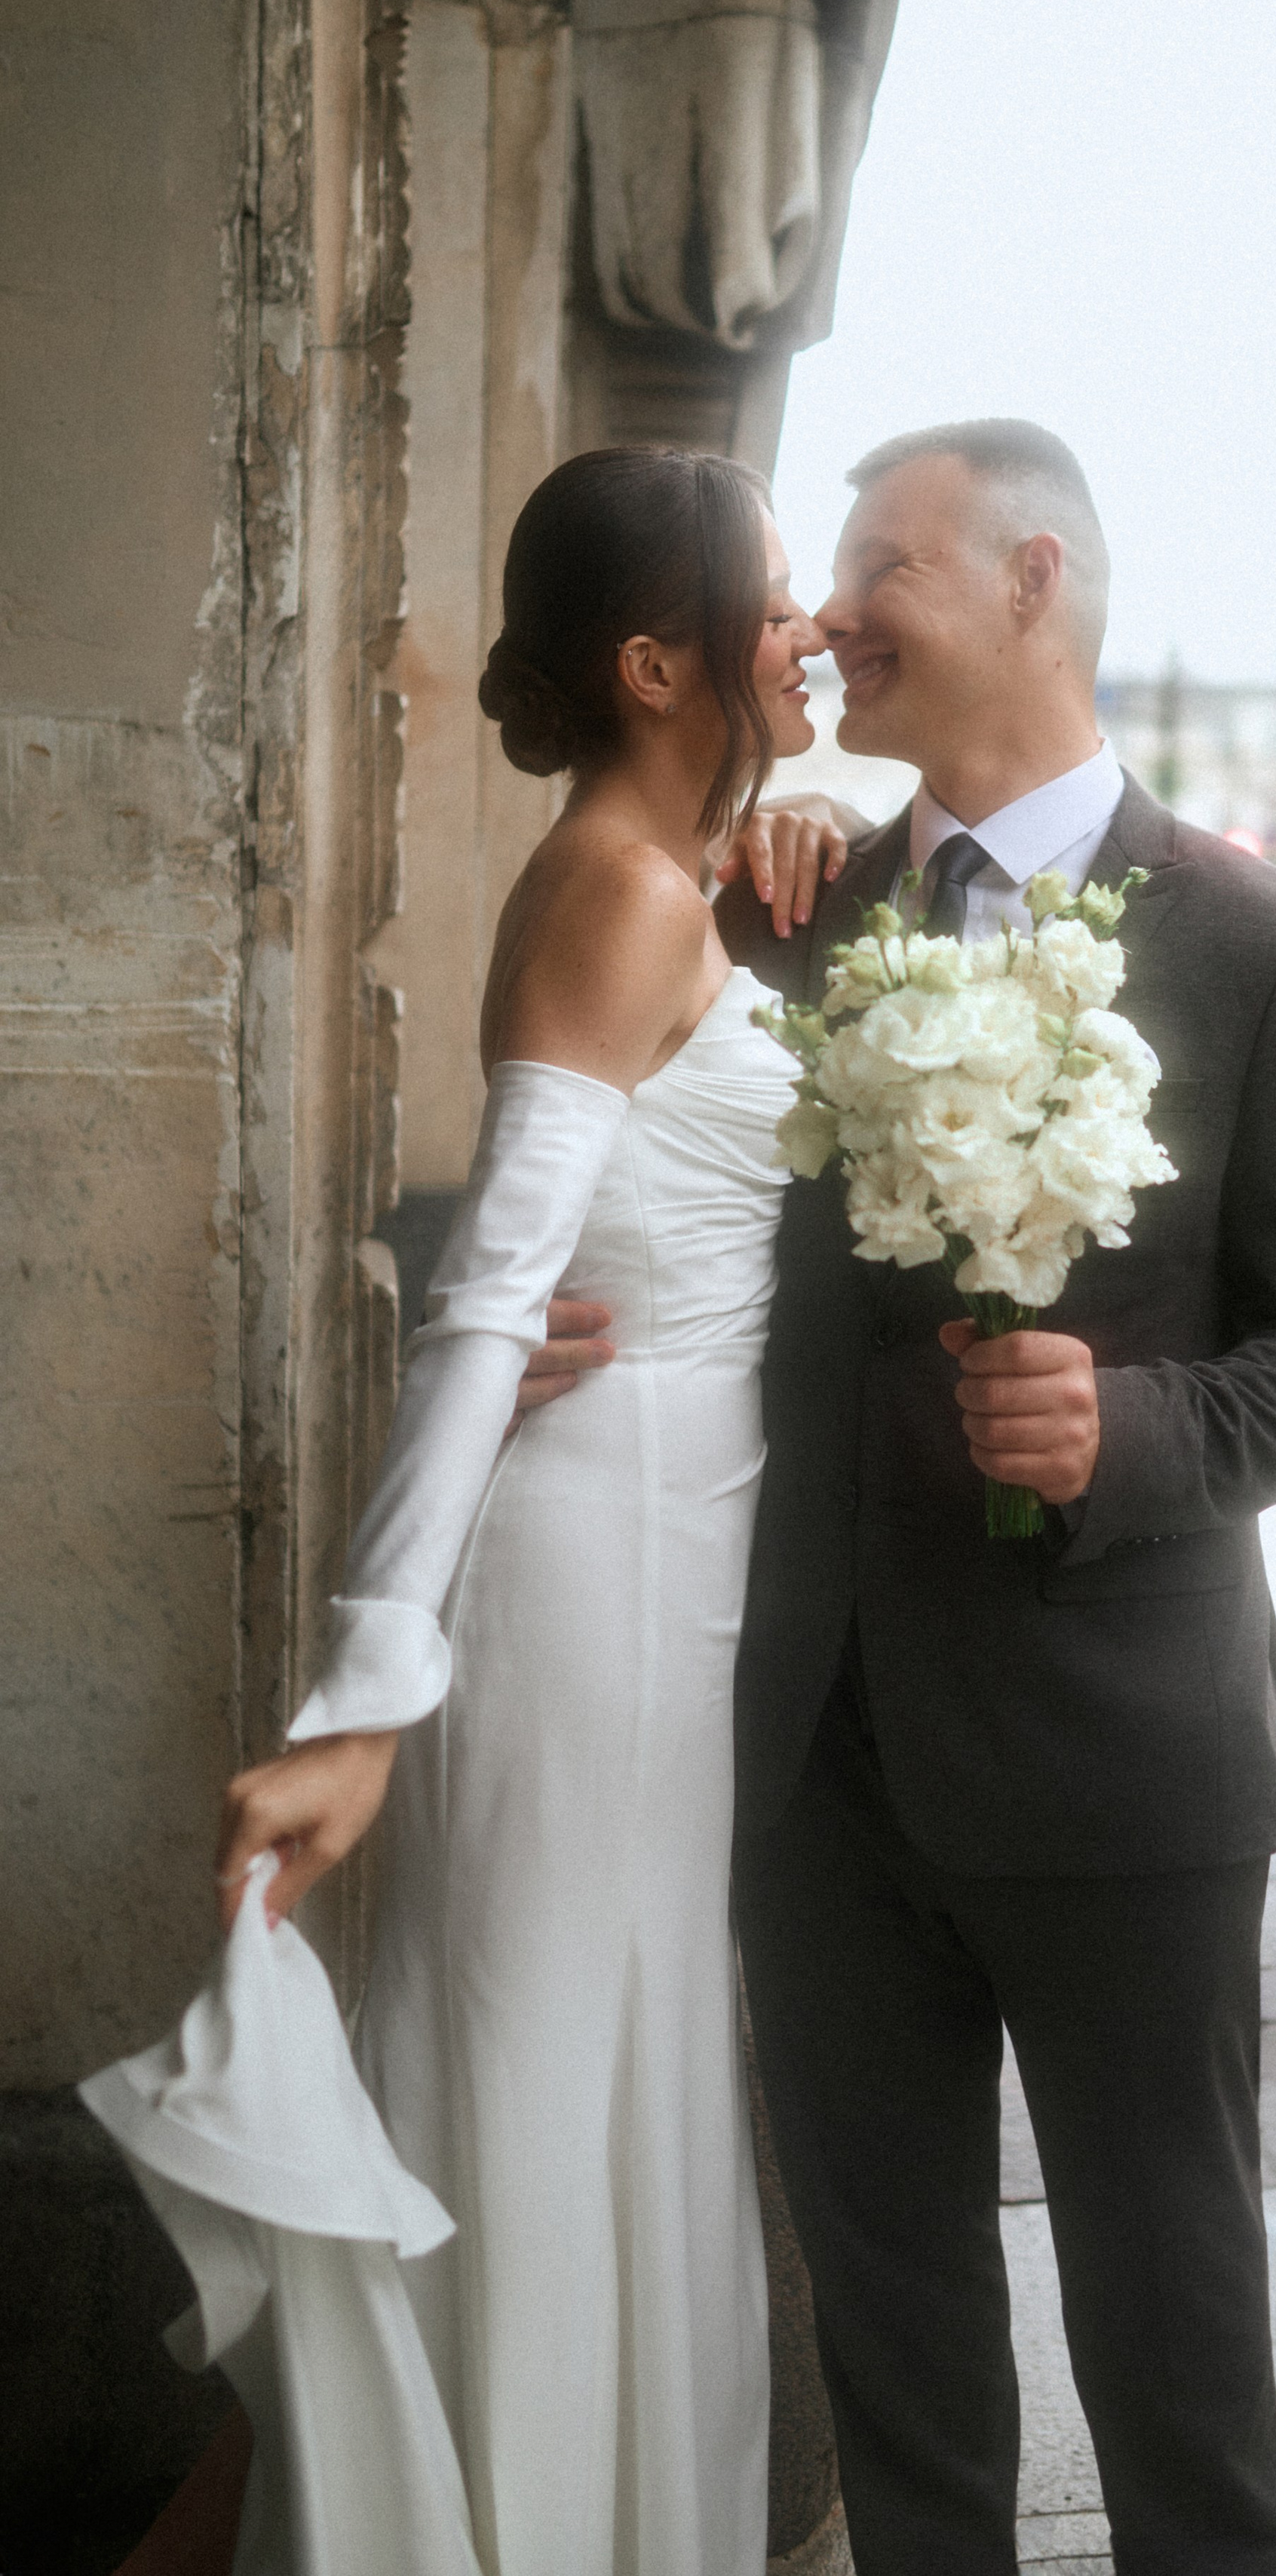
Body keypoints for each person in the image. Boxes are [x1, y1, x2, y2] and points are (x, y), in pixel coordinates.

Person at [532, 420, 1276, 2574]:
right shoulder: (783, 905)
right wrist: (548, 1304)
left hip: (1127, 1778)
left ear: (1033, 581)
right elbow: (639, 1163)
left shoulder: (1273, 948)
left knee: (1178, 2367)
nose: (830, 615)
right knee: (900, 2371)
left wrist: (1141, 1439)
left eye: (880, 563)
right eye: (825, 571)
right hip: (823, 1759)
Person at [145, 444, 823, 2576]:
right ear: (655, 659)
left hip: (671, 1551)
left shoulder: (672, 871)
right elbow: (485, 1307)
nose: (807, 632)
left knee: (605, 2072)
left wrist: (801, 821)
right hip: (596, 1570)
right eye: (779, 596)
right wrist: (367, 1692)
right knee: (535, 2084)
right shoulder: (621, 892)